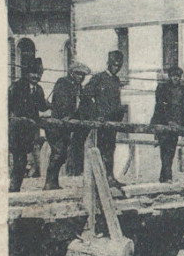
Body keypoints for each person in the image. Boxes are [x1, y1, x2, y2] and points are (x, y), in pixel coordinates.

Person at [81, 50, 127, 187]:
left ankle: (109, 177)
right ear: (108, 63)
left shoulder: (116, 80)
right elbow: (86, 96)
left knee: (110, 148)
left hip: (112, 121)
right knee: (101, 148)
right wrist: (96, 114)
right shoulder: (98, 78)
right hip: (102, 121)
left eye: (119, 65)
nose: (116, 67)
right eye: (114, 64)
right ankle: (100, 179)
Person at [44, 62, 90, 190]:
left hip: (67, 124)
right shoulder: (63, 83)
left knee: (62, 153)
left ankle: (53, 182)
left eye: (83, 75)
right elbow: (60, 102)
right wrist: (67, 115)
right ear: (71, 73)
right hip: (58, 123)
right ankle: (49, 182)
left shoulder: (78, 87)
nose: (81, 77)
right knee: (58, 152)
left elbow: (81, 104)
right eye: (78, 74)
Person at [8, 57, 49, 192]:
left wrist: (49, 105)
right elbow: (9, 106)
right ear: (26, 74)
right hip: (18, 128)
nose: (36, 76)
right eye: (33, 73)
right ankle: (14, 187)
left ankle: (16, 187)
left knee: (25, 159)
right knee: (19, 158)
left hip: (30, 130)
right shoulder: (17, 86)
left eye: (39, 74)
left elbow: (42, 107)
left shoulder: (38, 89)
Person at [151, 66, 184, 183]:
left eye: (178, 76)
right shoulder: (162, 88)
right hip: (163, 123)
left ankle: (164, 176)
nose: (176, 78)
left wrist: (181, 123)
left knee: (171, 150)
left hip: (176, 124)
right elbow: (160, 107)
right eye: (173, 76)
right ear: (170, 76)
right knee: (164, 149)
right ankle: (168, 176)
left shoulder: (183, 90)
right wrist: (167, 121)